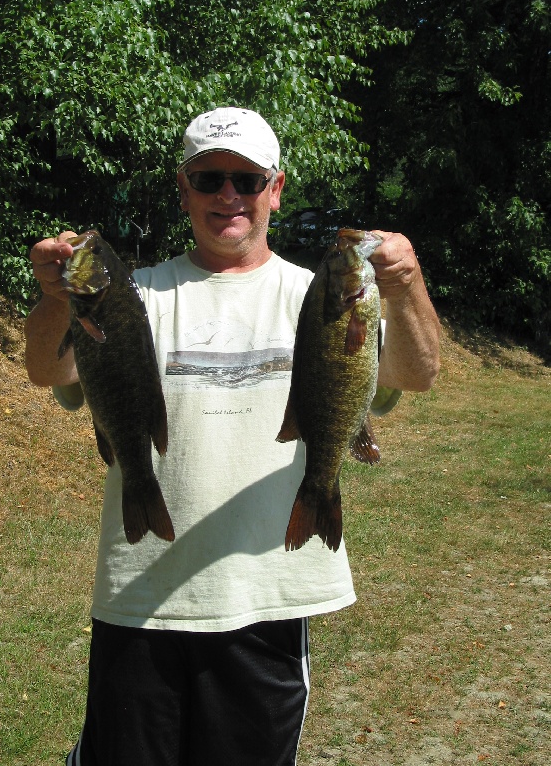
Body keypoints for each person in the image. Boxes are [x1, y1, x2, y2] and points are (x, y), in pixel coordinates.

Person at [25, 107, 440, 766]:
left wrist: (408, 285)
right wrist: (55, 297)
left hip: (266, 604)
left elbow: (415, 375)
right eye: (210, 177)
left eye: (246, 181)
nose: (228, 196)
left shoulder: (324, 297)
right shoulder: (136, 296)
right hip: (140, 602)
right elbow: (47, 369)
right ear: (183, 189)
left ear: (275, 189)